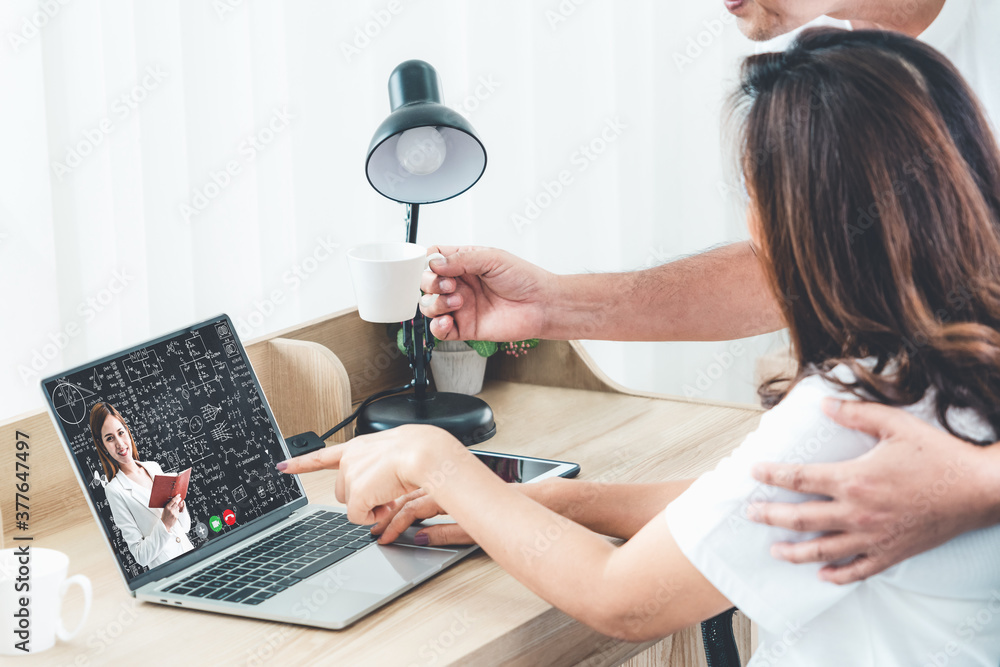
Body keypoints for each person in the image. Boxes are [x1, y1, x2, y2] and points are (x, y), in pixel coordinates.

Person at [279, 29, 1000, 664]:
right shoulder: (954, 365)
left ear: (802, 226)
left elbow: (622, 600)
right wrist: (556, 503)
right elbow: (748, 504)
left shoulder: (853, 407)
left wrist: (434, 459)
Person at [415, 0, 1000, 584]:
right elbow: (808, 263)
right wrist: (549, 306)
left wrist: (978, 485)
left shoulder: (853, 406)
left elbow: (615, 595)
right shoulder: (852, 76)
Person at [91, 402, 194, 569]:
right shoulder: (115, 491)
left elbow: (186, 528)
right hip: (169, 573)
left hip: (193, 557)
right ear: (102, 445)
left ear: (127, 431)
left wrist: (179, 509)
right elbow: (141, 556)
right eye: (110, 438)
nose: (119, 443)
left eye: (120, 433)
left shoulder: (153, 467)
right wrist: (165, 524)